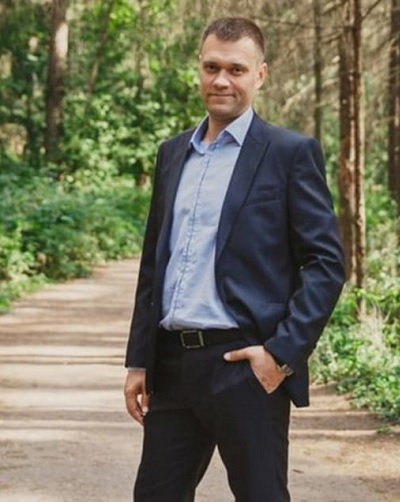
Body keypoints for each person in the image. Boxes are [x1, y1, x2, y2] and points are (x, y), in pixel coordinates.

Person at [124, 16, 345, 502]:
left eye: (236, 69)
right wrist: (139, 360)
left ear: (259, 75)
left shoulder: (290, 153)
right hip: (172, 367)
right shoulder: (172, 153)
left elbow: (326, 263)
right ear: (199, 70)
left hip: (244, 367)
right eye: (211, 67)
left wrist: (280, 355)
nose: (221, 80)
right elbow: (153, 265)